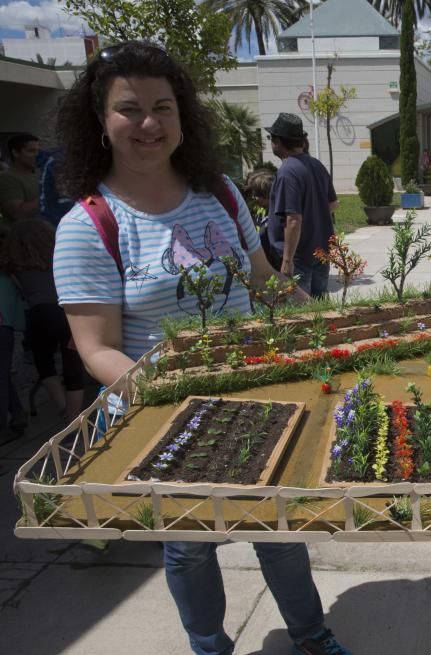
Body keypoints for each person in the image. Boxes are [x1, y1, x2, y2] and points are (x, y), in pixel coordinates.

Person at [51, 41, 351, 655]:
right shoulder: (90, 225)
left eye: (163, 107)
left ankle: (312, 637)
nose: (149, 124)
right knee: (189, 545)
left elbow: (265, 281)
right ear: (99, 122)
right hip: (169, 421)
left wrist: (327, 326)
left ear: (183, 116)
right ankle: (210, 646)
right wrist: (173, 399)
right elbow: (96, 349)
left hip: (260, 398)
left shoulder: (217, 192)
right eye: (129, 109)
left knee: (281, 530)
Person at [4, 219, 84, 425]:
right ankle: (74, 417)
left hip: (39, 315)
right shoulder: (59, 257)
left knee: (44, 362)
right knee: (72, 365)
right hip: (66, 311)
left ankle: (63, 410)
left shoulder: (15, 265)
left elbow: (20, 291)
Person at [266, 112, 339, 299]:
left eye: (271, 138)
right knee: (320, 307)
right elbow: (332, 204)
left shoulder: (287, 172)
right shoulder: (316, 165)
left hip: (299, 257)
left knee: (300, 313)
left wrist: (287, 260)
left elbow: (293, 220)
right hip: (321, 251)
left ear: (278, 141)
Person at [0, 225, 28, 445]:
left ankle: (3, 429)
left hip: (5, 328)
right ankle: (18, 415)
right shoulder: (10, 274)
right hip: (9, 328)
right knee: (3, 376)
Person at [0, 133, 42, 224]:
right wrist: (49, 195)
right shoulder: (6, 177)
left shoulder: (39, 173)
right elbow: (19, 214)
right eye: (31, 151)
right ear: (15, 152)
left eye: (38, 151)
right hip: (22, 236)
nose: (37, 155)